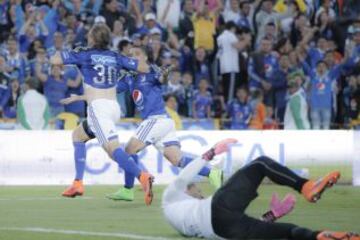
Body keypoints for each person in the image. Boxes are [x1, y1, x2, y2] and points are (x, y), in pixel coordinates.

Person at [61, 46, 223, 202]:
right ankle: (212, 173)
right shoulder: (129, 78)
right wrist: (80, 97)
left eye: (137, 54)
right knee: (176, 159)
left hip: (157, 120)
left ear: (145, 57)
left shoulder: (151, 71)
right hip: (164, 123)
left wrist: (165, 74)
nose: (133, 57)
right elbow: (107, 91)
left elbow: (162, 77)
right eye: (131, 54)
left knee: (129, 149)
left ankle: (128, 189)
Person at [162, 139, 358, 240]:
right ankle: (306, 186)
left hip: (227, 232)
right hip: (219, 212)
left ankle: (321, 236)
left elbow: (235, 222)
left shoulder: (184, 219)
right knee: (261, 164)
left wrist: (272, 215)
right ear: (186, 190)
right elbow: (182, 176)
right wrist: (211, 152)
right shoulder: (169, 199)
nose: (198, 190)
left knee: (288, 232)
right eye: (195, 187)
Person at [50, 24, 154, 205]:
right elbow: (144, 68)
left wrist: (69, 52)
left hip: (97, 108)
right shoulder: (115, 57)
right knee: (78, 135)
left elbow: (55, 60)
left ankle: (142, 176)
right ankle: (77, 183)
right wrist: (132, 67)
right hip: (113, 106)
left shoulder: (85, 54)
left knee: (113, 151)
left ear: (92, 38)